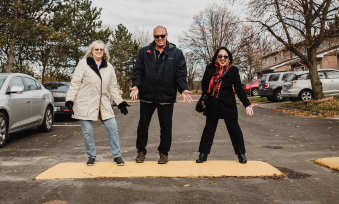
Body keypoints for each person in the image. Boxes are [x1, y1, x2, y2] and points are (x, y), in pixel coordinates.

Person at [130, 26, 192, 164]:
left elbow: (180, 74)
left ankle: (163, 153)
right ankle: (141, 151)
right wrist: (136, 85)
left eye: (162, 36)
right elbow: (138, 71)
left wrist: (183, 89)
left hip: (166, 97)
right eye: (157, 36)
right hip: (147, 96)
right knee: (142, 126)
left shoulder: (176, 53)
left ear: (166, 35)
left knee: (165, 127)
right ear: (153, 37)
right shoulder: (144, 52)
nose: (160, 39)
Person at [65, 40, 129, 166]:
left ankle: (117, 156)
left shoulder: (109, 67)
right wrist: (70, 100)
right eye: (96, 49)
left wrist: (120, 103)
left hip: (103, 103)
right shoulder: (83, 64)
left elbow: (112, 87)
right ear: (92, 51)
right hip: (85, 103)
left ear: (104, 51)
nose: (99, 51)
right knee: (88, 131)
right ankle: (91, 157)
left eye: (101, 49)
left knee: (113, 128)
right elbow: (75, 83)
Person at [196, 47, 257, 164]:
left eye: (225, 56)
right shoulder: (210, 68)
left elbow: (239, 88)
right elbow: (204, 85)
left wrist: (247, 104)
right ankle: (203, 154)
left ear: (229, 58)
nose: (222, 58)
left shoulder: (233, 70)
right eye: (220, 56)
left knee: (235, 130)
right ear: (216, 57)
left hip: (228, 105)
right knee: (208, 130)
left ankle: (241, 154)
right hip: (213, 104)